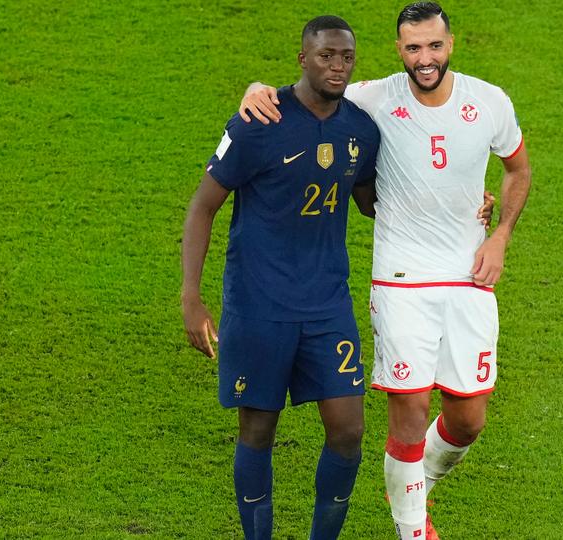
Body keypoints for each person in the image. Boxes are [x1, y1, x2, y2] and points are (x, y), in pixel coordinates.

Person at [239, 3, 531, 538]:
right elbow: (306, 90)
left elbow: (518, 168)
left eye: (434, 46)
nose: (425, 59)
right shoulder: (373, 97)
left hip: (469, 275)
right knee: (411, 408)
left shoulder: (489, 102)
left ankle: (412, 482)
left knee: (468, 420)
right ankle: (414, 529)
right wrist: (257, 87)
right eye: (413, 48)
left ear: (451, 45)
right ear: (399, 49)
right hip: (402, 279)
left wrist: (501, 235)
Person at [181, 16, 381, 540]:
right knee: (258, 429)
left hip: (327, 305)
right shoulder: (257, 121)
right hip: (258, 305)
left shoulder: (360, 129)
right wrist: (191, 297)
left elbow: (371, 203)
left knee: (349, 431)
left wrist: (455, 205)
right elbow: (203, 207)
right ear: (302, 59)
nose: (337, 66)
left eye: (346, 57)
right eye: (325, 56)